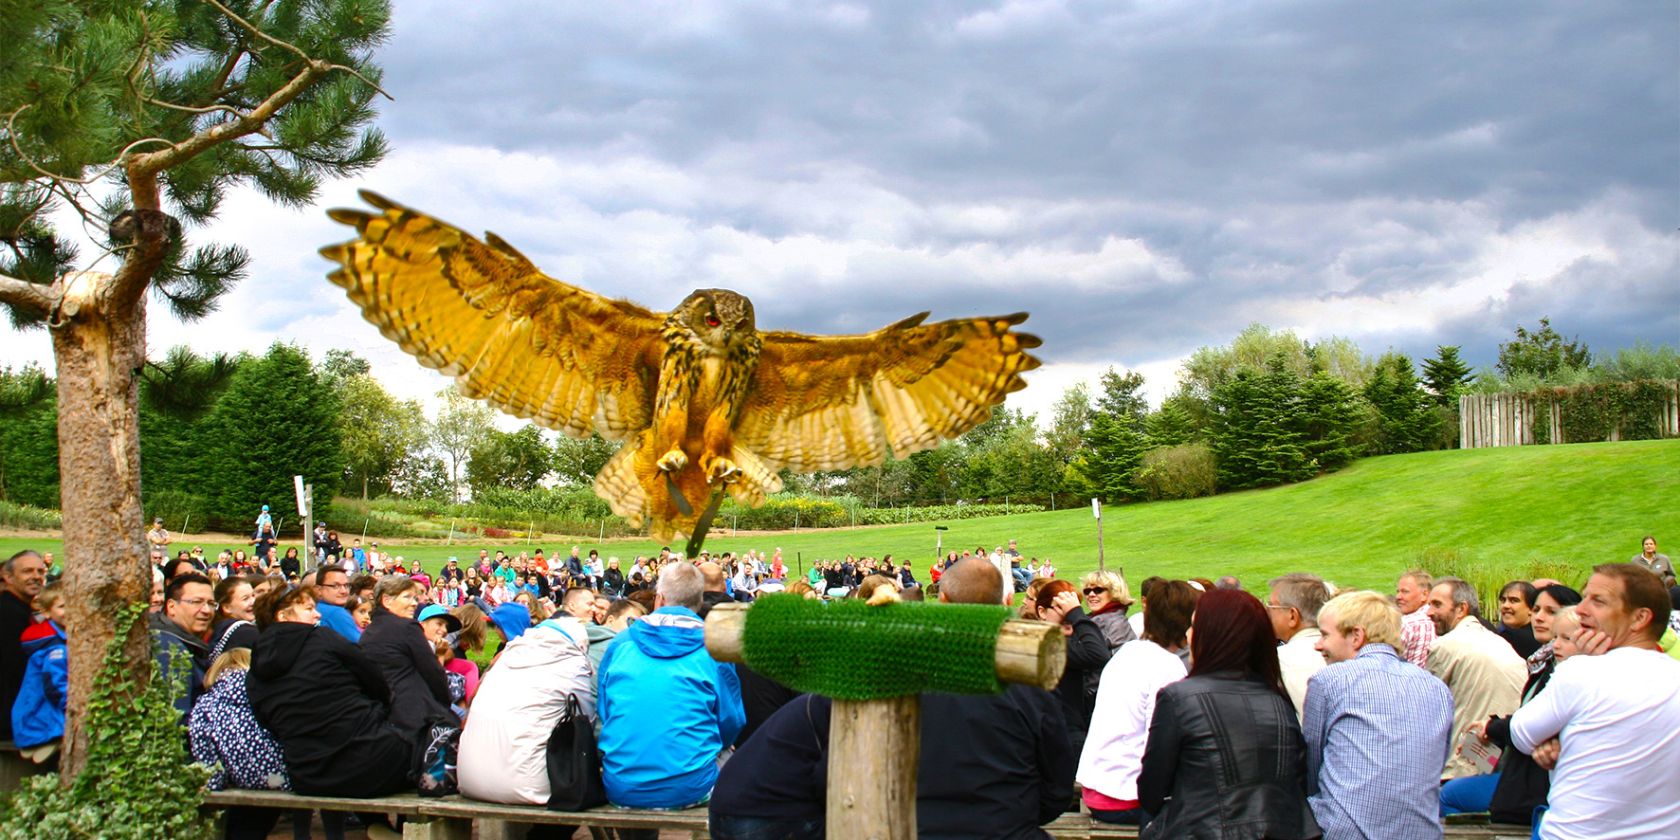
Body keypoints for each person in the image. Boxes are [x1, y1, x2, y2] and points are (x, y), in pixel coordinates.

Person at [1511, 564, 1680, 839]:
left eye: (1598, 601)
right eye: (1585, 597)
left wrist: (1552, 735)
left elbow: (1521, 733)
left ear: (1639, 618)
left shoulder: (1581, 671)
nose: (1581, 609)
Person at [1136, 588, 1320, 840]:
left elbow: (1150, 791)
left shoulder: (1179, 699)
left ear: (1211, 635)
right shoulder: (1278, 701)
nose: (1188, 635)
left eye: (1193, 627)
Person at [1304, 590, 1453, 840]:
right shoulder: (1436, 688)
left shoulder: (1330, 680)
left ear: (1356, 636)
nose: (1319, 645)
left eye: (1325, 634)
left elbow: (1311, 766)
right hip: (1421, 833)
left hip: (1345, 832)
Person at [597, 561, 745, 809]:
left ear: (659, 599)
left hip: (622, 785)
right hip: (691, 784)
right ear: (698, 602)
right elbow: (732, 721)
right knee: (738, 762)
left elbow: (606, 709)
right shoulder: (714, 648)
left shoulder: (621, 643)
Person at [246, 583, 415, 798]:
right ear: (282, 615)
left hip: (308, 775)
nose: (317, 615)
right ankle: (391, 827)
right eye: (308, 609)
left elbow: (266, 719)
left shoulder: (257, 663)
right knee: (416, 750)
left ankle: (375, 825)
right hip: (373, 761)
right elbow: (374, 679)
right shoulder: (323, 638)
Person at [1439, 604, 1582, 827]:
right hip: (1527, 774)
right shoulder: (1544, 667)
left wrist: (1492, 728)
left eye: (1566, 638)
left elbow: (1529, 729)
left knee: (1447, 794)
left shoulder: (1566, 677)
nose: (1557, 644)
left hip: (1533, 786)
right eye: (1556, 637)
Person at [1078, 580, 1198, 825]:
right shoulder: (1167, 666)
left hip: (1098, 785)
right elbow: (1161, 742)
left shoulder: (1129, 651)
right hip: (1124, 795)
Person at [458, 609, 595, 814]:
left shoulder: (505, 657)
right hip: (526, 785)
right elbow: (586, 720)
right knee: (577, 783)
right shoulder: (572, 664)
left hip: (469, 778)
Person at [189, 648, 297, 839]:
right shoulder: (266, 694)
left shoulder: (206, 704)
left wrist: (214, 784)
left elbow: (205, 753)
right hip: (284, 776)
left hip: (241, 778)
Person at [1425, 577, 1526, 779]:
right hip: (1505, 756)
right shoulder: (1497, 641)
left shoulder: (1445, 645)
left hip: (1467, 760)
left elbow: (1427, 712)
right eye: (1428, 605)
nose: (1429, 612)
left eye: (1437, 604)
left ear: (1461, 609)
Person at [358, 576, 455, 738]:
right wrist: (445, 705)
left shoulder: (369, 632)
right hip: (414, 714)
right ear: (387, 600)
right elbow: (433, 673)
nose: (414, 603)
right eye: (407, 597)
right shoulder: (407, 627)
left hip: (380, 714)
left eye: (415, 598)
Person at [1033, 579, 1110, 749]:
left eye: (1071, 607)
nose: (1067, 615)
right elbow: (1098, 654)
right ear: (1042, 612)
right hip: (1058, 737)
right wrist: (1076, 613)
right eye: (1060, 608)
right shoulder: (1045, 644)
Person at [12, 581, 67, 756]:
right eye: (62, 606)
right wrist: (74, 708)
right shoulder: (55, 648)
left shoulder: (54, 640)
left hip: (36, 718)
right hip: (43, 721)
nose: (70, 611)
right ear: (46, 612)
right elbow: (55, 685)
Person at [152, 572, 216, 717]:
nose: (206, 610)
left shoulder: (184, 642)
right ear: (172, 606)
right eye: (196, 602)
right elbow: (176, 716)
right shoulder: (169, 648)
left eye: (211, 604)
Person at [1268, 572, 1331, 720]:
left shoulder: (1279, 660)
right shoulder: (1344, 653)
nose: (1268, 612)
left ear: (1292, 616)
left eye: (1271, 606)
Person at [0, 550, 47, 741]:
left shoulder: (21, 609)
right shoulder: (7, 613)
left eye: (40, 571)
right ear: (8, 577)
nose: (36, 577)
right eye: (27, 571)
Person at [1080, 570, 1137, 651]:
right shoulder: (1090, 618)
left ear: (1114, 592)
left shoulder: (1118, 624)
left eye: (1098, 590)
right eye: (1087, 591)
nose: (1091, 594)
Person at [209, 575, 260, 658]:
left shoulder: (216, 629)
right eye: (245, 598)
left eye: (253, 595)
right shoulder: (246, 633)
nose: (253, 602)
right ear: (227, 607)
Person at [1395, 569, 1435, 667]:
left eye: (1405, 592)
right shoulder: (1441, 621)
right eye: (1398, 591)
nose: (1398, 597)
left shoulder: (1407, 624)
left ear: (1424, 595)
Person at [312, 564, 361, 643]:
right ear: (318, 590)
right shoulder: (335, 613)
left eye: (346, 585)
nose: (344, 591)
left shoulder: (310, 610)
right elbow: (362, 646)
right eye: (335, 586)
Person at [1494, 580, 1540, 659]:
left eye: (1514, 601)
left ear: (1531, 608)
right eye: (1503, 600)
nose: (1506, 605)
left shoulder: (1511, 637)